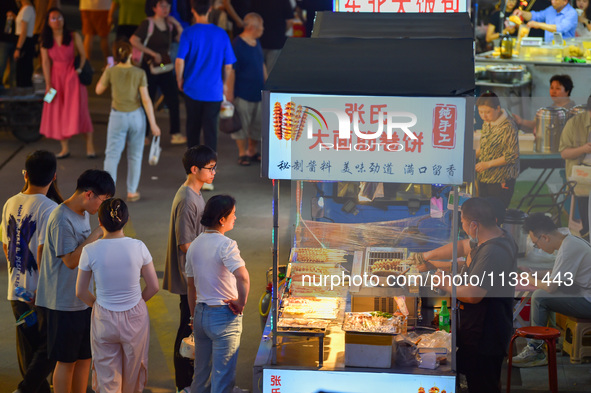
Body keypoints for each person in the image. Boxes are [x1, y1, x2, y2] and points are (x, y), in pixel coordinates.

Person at [35, 169, 115, 393]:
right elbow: (70, 260)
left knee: (84, 358)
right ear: (89, 194)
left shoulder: (83, 212)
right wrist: (96, 235)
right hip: (63, 303)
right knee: (66, 361)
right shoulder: (61, 218)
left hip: (81, 299)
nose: (103, 206)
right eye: (103, 200)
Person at [433, 197, 517, 393]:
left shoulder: (492, 251)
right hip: (486, 330)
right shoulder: (500, 236)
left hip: (486, 335)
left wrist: (446, 285)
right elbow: (465, 248)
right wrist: (430, 258)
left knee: (482, 385)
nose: (462, 226)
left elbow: (473, 294)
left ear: (473, 224)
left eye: (462, 221)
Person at [76, 198, 159, 392]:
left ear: (100, 222)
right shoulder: (139, 246)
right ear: (127, 220)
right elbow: (153, 286)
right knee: (134, 372)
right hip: (135, 316)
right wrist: (136, 302)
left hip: (104, 316)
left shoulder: (89, 250)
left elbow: (80, 291)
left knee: (106, 376)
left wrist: (99, 305)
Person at [1, 151, 61, 393]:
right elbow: (42, 253)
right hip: (40, 295)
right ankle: (25, 389)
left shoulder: (10, 203)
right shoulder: (50, 209)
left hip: (17, 294)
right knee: (50, 346)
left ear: (25, 175)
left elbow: (6, 247)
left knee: (28, 350)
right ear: (54, 176)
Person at [163, 145, 217, 393]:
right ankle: (183, 383)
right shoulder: (187, 199)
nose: (214, 172)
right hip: (189, 277)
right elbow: (185, 243)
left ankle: (188, 380)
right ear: (194, 169)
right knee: (188, 328)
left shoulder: (195, 193)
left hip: (195, 274)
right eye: (210, 168)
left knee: (191, 326)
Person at [185, 194, 250, 393]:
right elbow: (243, 277)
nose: (235, 218)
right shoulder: (226, 245)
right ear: (222, 219)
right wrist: (241, 302)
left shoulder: (194, 245)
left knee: (201, 377)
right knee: (222, 380)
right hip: (223, 317)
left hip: (200, 315)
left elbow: (190, 286)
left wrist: (193, 316)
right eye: (233, 214)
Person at [511, 213, 591, 367]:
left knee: (540, 296)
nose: (538, 248)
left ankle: (536, 350)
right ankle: (550, 341)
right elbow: (556, 272)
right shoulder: (569, 241)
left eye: (535, 244)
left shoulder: (568, 248)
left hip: (588, 300)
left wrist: (528, 278)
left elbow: (550, 285)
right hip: (585, 295)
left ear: (545, 237)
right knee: (546, 295)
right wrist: (531, 272)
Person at [96, 40, 162, 202]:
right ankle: (132, 191)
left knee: (112, 155)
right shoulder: (139, 73)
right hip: (136, 117)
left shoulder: (111, 71)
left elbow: (98, 90)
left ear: (116, 56)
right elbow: (146, 100)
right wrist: (153, 124)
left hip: (117, 116)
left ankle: (107, 193)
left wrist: (106, 71)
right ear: (131, 54)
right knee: (135, 156)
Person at [175, 0, 236, 167]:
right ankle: (209, 171)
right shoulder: (221, 34)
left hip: (192, 89)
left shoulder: (188, 33)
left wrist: (179, 79)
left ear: (193, 10)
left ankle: (192, 170)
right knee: (211, 134)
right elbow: (229, 65)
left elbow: (179, 61)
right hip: (214, 91)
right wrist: (224, 83)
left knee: (192, 129)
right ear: (210, 9)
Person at [39, 8, 96, 160]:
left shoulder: (73, 35)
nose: (57, 21)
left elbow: (83, 55)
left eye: (59, 17)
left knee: (81, 110)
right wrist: (48, 83)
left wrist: (77, 70)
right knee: (57, 111)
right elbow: (45, 62)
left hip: (72, 76)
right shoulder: (45, 39)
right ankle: (65, 148)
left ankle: (90, 146)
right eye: (53, 18)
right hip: (55, 79)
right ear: (48, 22)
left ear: (64, 19)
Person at [130, 0, 186, 145]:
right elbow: (134, 40)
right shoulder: (147, 24)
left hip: (165, 67)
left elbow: (182, 39)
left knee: (173, 99)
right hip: (149, 67)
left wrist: (178, 25)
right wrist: (152, 53)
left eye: (167, 5)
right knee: (146, 101)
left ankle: (176, 133)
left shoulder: (169, 25)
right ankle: (144, 135)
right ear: (154, 8)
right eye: (162, 5)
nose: (165, 8)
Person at [231, 12, 266, 166]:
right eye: (261, 26)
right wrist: (229, 93)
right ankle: (242, 152)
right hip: (243, 92)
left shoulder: (256, 42)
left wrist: (267, 82)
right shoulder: (237, 44)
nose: (263, 29)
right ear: (253, 27)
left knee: (257, 124)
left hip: (258, 91)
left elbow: (261, 64)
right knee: (242, 124)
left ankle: (252, 150)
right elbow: (231, 70)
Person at [476, 92, 520, 208]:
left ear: (498, 108)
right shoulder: (487, 123)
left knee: (495, 211)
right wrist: (474, 156)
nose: (484, 116)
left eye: (487, 112)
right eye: (481, 112)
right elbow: (485, 145)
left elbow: (512, 155)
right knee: (484, 210)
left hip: (501, 178)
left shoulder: (508, 126)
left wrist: (488, 164)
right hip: (485, 176)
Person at [559, 95, 591, 239]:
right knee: (585, 206)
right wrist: (584, 149)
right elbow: (564, 153)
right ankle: (587, 231)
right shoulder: (574, 123)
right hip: (581, 172)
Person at [251, 0, 294, 73]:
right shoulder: (284, 1)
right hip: (276, 40)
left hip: (258, 40)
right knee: (271, 73)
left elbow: (251, 17)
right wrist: (281, 32)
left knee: (257, 71)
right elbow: (289, 21)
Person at [513, 0, 578, 42]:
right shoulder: (551, 9)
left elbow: (560, 28)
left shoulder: (572, 13)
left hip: (565, 49)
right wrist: (522, 13)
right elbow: (536, 16)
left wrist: (538, 25)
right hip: (549, 47)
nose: (552, 1)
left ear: (565, 1)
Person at [14, 0, 35, 87]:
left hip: (25, 42)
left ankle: (23, 96)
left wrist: (18, 48)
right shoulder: (25, 9)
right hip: (24, 41)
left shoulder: (27, 9)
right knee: (22, 71)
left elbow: (24, 31)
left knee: (23, 71)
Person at [0, 0, 18, 87]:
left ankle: (12, 92)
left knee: (14, 69)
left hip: (16, 39)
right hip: (4, 39)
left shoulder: (20, 4)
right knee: (2, 65)